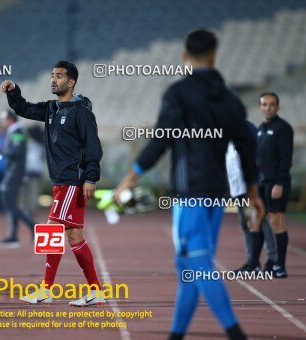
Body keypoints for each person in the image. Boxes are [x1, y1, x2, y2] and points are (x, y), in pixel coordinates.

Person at [114, 30, 265, 339]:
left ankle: (236, 333)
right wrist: (252, 191)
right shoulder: (230, 99)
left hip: (189, 195)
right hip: (216, 194)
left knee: (197, 263)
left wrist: (129, 178)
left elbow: (159, 141)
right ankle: (176, 335)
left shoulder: (178, 94)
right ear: (214, 56)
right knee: (188, 268)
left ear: (185, 57)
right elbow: (247, 147)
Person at [1, 60, 105, 306]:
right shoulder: (51, 109)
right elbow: (24, 108)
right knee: (75, 236)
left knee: (51, 230)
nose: (53, 79)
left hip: (72, 181)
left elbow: (93, 147)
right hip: (60, 181)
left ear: (71, 82)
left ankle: (46, 290)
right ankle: (96, 292)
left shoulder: (81, 112)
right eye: (52, 75)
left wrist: (91, 177)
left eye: (59, 76)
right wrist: (13, 90)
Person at [252, 92, 293, 278]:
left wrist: (279, 183)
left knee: (277, 222)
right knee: (255, 220)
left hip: (275, 183)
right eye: (264, 104)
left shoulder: (283, 128)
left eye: (272, 104)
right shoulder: (260, 128)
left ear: (278, 107)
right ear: (260, 107)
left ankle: (280, 266)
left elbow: (286, 159)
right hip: (260, 183)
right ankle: (257, 262)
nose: (268, 107)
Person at [226, 122, 277, 274]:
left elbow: (260, 152)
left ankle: (271, 259)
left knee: (258, 220)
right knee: (247, 222)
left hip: (250, 184)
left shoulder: (246, 128)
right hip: (237, 186)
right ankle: (252, 262)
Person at [0, 109, 36, 247]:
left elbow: (17, 150)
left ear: (10, 119)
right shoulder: (14, 131)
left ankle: (33, 226)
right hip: (13, 171)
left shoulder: (18, 131)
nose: (2, 122)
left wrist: (2, 151)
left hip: (15, 171)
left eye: (4, 119)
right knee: (10, 203)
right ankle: (14, 234)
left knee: (9, 201)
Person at [20, 124, 45, 219]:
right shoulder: (40, 145)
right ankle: (29, 209)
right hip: (35, 170)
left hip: (29, 170)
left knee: (28, 191)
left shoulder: (29, 144)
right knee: (32, 191)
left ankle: (27, 209)